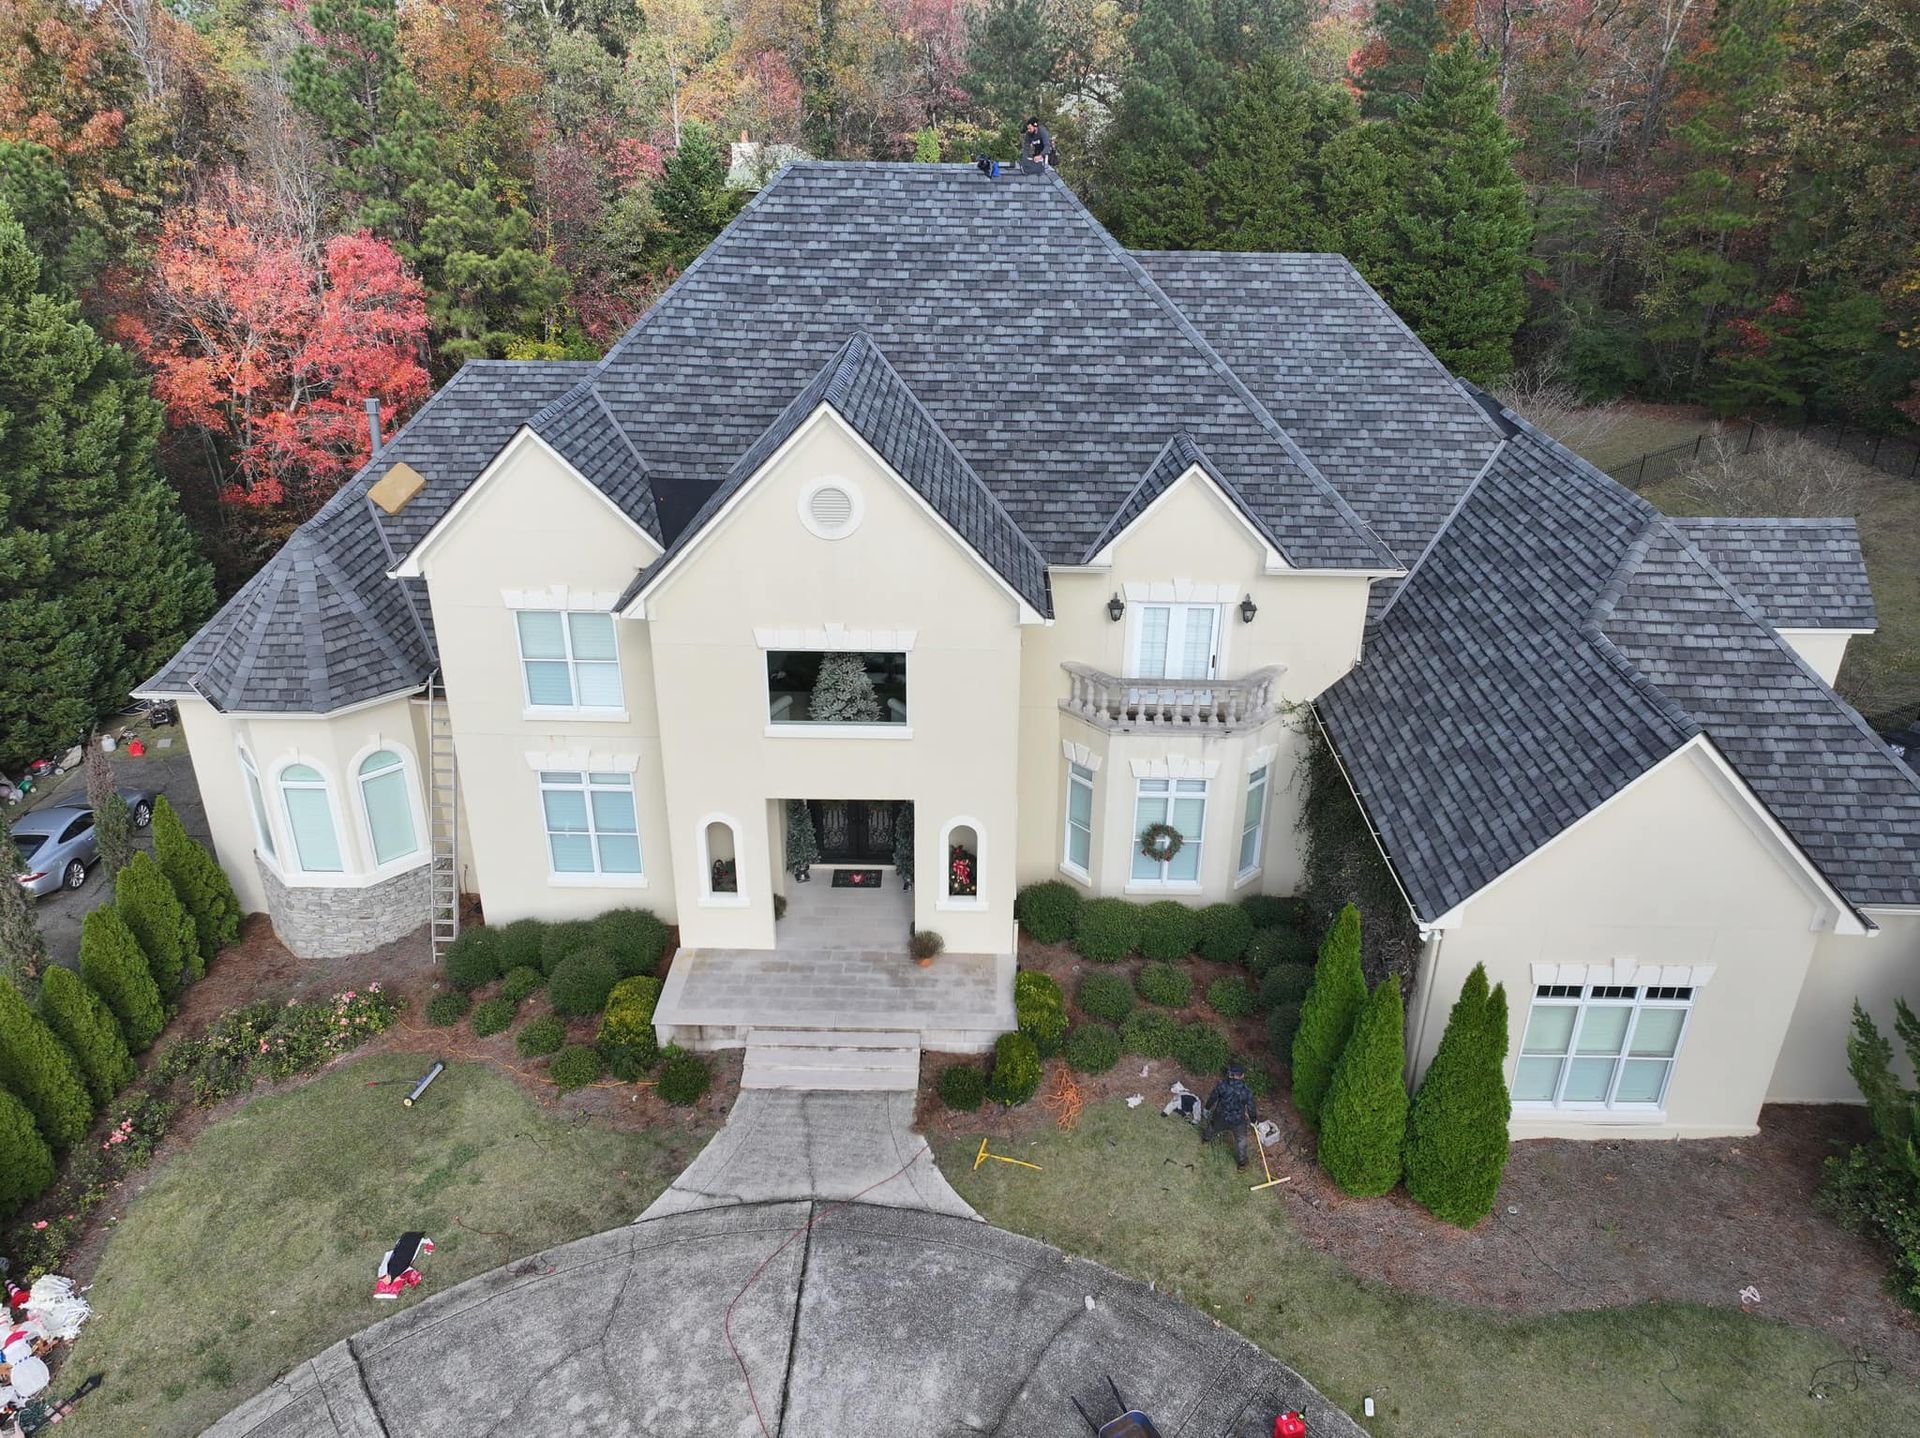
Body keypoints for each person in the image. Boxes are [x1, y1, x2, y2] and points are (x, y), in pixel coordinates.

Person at [1201, 1062, 1258, 1169]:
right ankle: (1242, 1164)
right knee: (1241, 1141)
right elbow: (1251, 1107)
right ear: (1242, 1075)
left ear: (1230, 1074)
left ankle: (1205, 1140)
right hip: (1238, 1121)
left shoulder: (1222, 1085)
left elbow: (1213, 1097)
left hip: (1220, 1116)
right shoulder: (1246, 1091)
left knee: (1212, 1127)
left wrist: (1207, 1108)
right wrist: (1253, 1120)